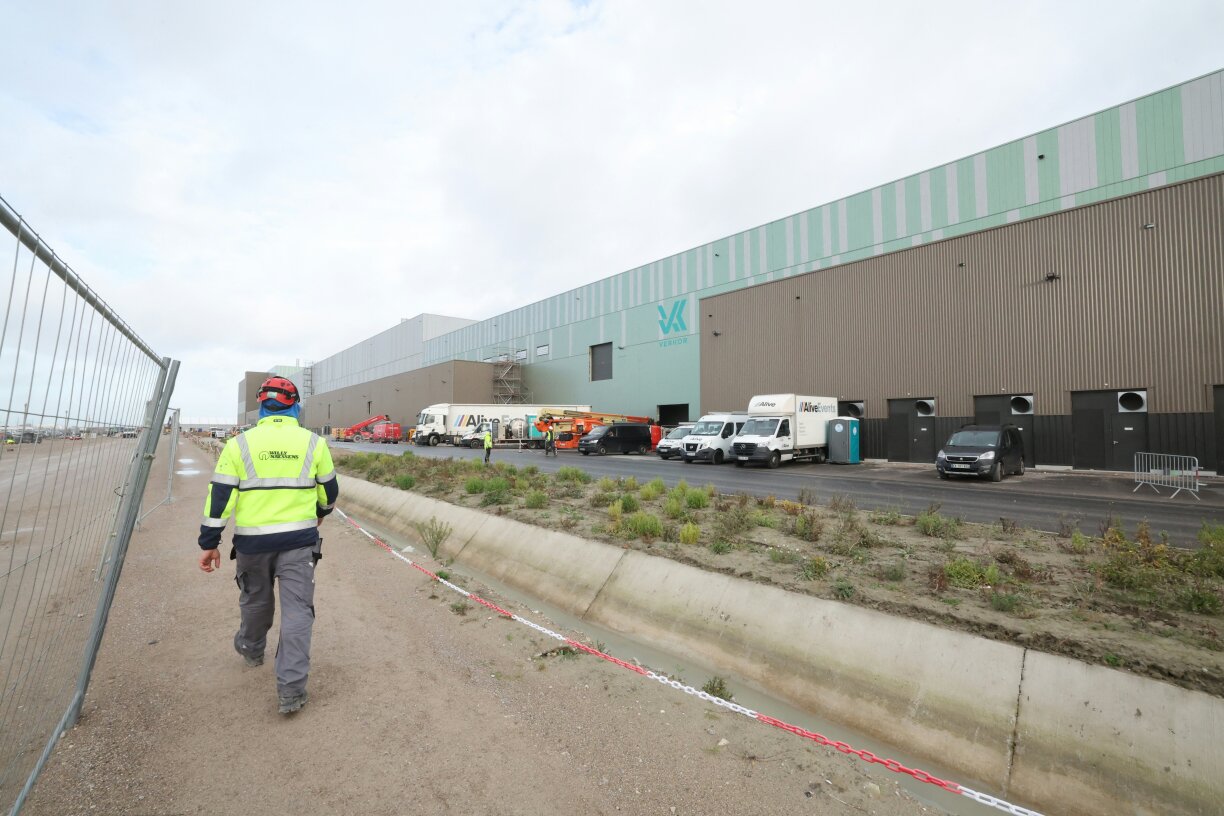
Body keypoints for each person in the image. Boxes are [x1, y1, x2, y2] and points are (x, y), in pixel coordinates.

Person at [197, 376, 339, 715]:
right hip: (300, 543)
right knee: (298, 612)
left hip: (252, 544)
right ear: (295, 405)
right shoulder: (313, 443)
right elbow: (330, 492)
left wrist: (209, 542)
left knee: (256, 601)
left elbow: (220, 498)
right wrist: (320, 512)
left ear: (261, 405)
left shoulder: (239, 445)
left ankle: (251, 647)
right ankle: (291, 691)